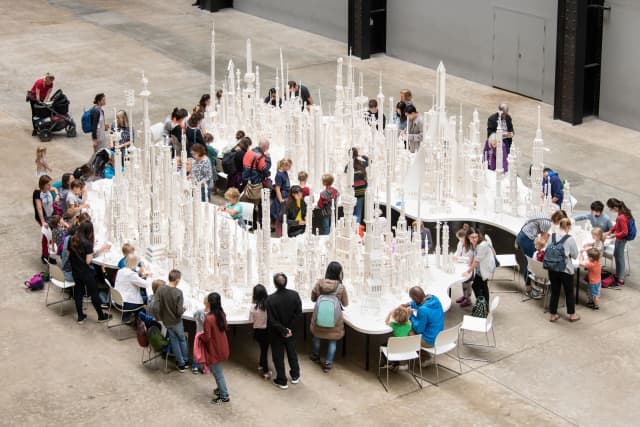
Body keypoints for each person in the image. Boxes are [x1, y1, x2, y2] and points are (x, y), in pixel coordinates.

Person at [68, 221, 111, 324]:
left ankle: (80, 316)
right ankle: (101, 316)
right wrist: (96, 251)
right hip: (86, 272)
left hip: (75, 270)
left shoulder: (72, 239)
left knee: (78, 293)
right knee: (94, 294)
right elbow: (88, 261)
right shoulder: (87, 243)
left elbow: (69, 254)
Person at [310, 262, 349, 373]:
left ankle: (315, 355)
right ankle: (328, 363)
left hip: (319, 318)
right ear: (339, 273)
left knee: (316, 337)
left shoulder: (319, 284)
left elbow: (313, 298)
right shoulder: (341, 287)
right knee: (332, 341)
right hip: (334, 321)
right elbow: (345, 304)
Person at [265, 273, 302, 389]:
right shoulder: (295, 295)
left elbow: (272, 320)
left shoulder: (270, 299)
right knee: (292, 353)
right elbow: (298, 314)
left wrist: (283, 329)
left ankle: (282, 380)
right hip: (291, 332)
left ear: (274, 284)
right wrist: (289, 329)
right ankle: (295, 375)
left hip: (277, 333)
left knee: (278, 356)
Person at [149, 270, 189, 372]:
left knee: (174, 341)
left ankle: (181, 364)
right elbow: (179, 312)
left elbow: (155, 306)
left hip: (167, 321)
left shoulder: (160, 290)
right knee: (182, 340)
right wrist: (184, 308)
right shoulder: (179, 293)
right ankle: (186, 360)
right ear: (177, 280)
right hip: (177, 321)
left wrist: (158, 317)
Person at [547, 219, 580, 322]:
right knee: (569, 292)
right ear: (568, 227)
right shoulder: (570, 239)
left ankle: (553, 315)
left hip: (552, 268)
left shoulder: (551, 236)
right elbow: (575, 255)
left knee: (555, 292)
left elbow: (547, 250)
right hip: (566, 270)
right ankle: (572, 315)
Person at [201, 292, 231, 404]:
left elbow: (207, 337)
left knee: (217, 373)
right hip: (222, 346)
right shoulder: (221, 314)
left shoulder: (209, 318)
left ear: (209, 303)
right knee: (218, 371)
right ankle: (220, 389)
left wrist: (199, 337)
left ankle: (224, 396)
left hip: (213, 350)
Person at [403, 286, 444, 366]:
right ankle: (422, 355)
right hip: (439, 337)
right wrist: (410, 304)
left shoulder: (423, 310)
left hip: (429, 341)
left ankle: (423, 358)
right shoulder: (434, 299)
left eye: (412, 298)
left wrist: (410, 316)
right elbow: (420, 302)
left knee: (407, 328)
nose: (412, 300)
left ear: (415, 298)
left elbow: (418, 329)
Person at [517, 211, 553, 299]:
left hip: (522, 235)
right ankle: (528, 288)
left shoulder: (543, 215)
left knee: (528, 261)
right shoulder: (547, 223)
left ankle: (530, 284)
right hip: (527, 239)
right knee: (530, 263)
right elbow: (543, 241)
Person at [604, 198, 633, 288]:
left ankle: (620, 279)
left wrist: (614, 235)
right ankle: (618, 275)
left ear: (615, 207)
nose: (611, 210)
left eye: (611, 208)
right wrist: (610, 231)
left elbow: (625, 232)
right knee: (617, 256)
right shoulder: (623, 212)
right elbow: (617, 225)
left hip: (621, 239)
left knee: (619, 258)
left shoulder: (621, 217)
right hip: (619, 238)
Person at [463, 227, 496, 306]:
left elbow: (477, 261)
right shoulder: (475, 244)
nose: (474, 239)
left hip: (485, 267)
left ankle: (482, 306)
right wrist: (469, 265)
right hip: (481, 267)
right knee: (481, 286)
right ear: (468, 237)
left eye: (476, 237)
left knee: (477, 286)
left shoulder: (482, 245)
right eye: (472, 237)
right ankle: (484, 306)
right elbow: (474, 256)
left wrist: (468, 271)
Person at [113, 255, 150, 321]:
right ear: (134, 264)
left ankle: (126, 317)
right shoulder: (132, 274)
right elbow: (146, 285)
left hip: (117, 300)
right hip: (126, 303)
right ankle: (139, 321)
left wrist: (141, 278)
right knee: (148, 299)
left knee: (141, 295)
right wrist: (149, 277)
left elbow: (129, 281)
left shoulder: (120, 271)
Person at [33, 175, 58, 264]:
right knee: (46, 236)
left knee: (52, 236)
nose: (50, 186)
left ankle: (48, 254)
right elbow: (39, 208)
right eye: (48, 185)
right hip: (44, 218)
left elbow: (54, 189)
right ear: (43, 185)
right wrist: (43, 221)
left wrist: (57, 194)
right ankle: (45, 255)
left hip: (51, 214)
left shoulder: (47, 189)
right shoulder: (38, 193)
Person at [249, 284, 271, 379]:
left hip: (258, 332)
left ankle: (262, 365)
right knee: (264, 351)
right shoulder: (269, 306)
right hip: (267, 331)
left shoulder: (253, 307)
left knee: (263, 350)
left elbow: (251, 321)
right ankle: (265, 371)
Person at [384, 305, 412, 371]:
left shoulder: (393, 325)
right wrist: (407, 314)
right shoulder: (409, 325)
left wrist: (389, 313)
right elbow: (407, 321)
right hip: (405, 347)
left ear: (395, 317)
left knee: (383, 345)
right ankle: (399, 364)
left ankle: (390, 363)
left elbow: (386, 322)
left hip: (395, 348)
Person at [347, 148, 369, 224]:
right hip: (361, 192)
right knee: (358, 213)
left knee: (351, 213)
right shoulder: (361, 164)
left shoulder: (348, 166)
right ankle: (357, 230)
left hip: (352, 192)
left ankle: (353, 230)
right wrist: (362, 156)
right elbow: (370, 161)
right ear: (356, 154)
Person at [454, 224, 473, 307]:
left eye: (461, 239)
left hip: (469, 267)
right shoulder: (460, 243)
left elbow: (469, 258)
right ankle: (465, 296)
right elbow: (458, 251)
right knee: (463, 282)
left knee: (467, 282)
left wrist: (459, 258)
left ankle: (468, 299)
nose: (460, 241)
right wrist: (455, 256)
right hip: (462, 265)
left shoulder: (470, 246)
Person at [271, 158, 292, 230]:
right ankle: (279, 230)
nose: (290, 168)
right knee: (279, 214)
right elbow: (277, 188)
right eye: (289, 166)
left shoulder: (285, 172)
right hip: (282, 196)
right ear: (284, 166)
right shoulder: (279, 175)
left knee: (284, 214)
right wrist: (280, 200)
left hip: (286, 195)